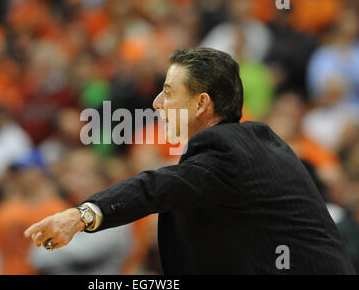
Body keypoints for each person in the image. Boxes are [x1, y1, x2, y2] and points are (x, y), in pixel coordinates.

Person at [24, 47, 355, 274]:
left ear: (201, 104)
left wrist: (82, 215)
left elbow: (155, 186)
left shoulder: (226, 150)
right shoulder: (248, 144)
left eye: (168, 92)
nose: (156, 103)